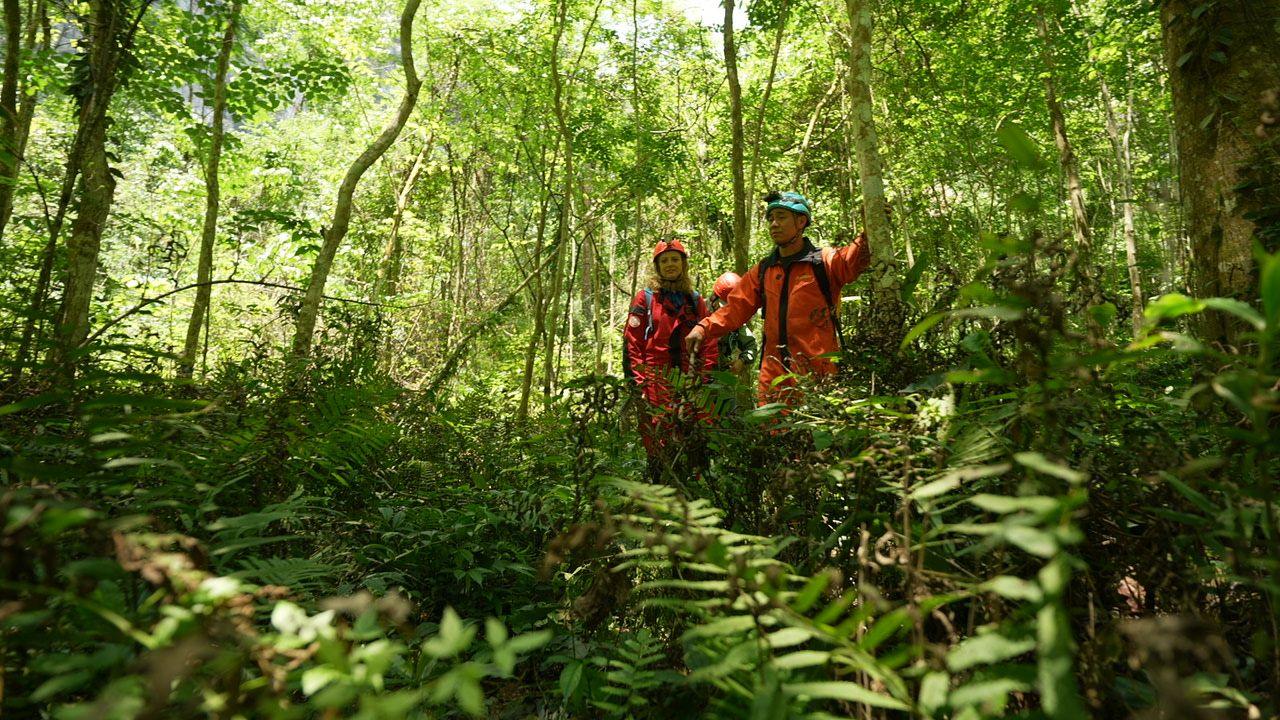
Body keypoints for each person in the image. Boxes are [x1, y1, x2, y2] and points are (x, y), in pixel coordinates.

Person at [685, 191, 871, 404]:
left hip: (818, 372)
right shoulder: (764, 270)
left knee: (816, 431)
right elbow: (735, 308)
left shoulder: (823, 262)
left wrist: (869, 231)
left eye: (781, 217)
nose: (774, 224)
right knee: (773, 433)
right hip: (774, 375)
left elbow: (852, 261)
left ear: (801, 221)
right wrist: (703, 327)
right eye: (771, 219)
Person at [624, 238, 718, 480]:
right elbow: (633, 343)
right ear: (657, 267)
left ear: (683, 264)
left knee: (693, 435)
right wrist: (639, 382)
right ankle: (660, 490)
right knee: (658, 438)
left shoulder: (695, 300)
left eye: (675, 259)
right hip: (656, 380)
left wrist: (703, 380)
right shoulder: (645, 299)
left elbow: (709, 342)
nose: (670, 265)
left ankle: (695, 490)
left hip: (690, 380)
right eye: (664, 261)